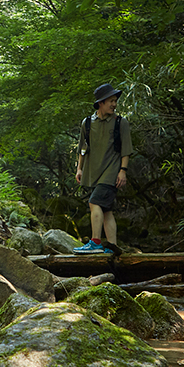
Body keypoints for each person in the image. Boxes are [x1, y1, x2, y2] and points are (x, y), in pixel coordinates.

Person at [73, 83, 133, 255]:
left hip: (112, 171)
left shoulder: (120, 123)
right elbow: (83, 148)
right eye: (111, 101)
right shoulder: (87, 123)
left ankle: (95, 242)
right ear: (101, 103)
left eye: (115, 101)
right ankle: (113, 247)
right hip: (95, 172)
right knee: (106, 209)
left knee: (95, 202)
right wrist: (79, 169)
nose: (114, 104)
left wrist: (123, 170)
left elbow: (126, 149)